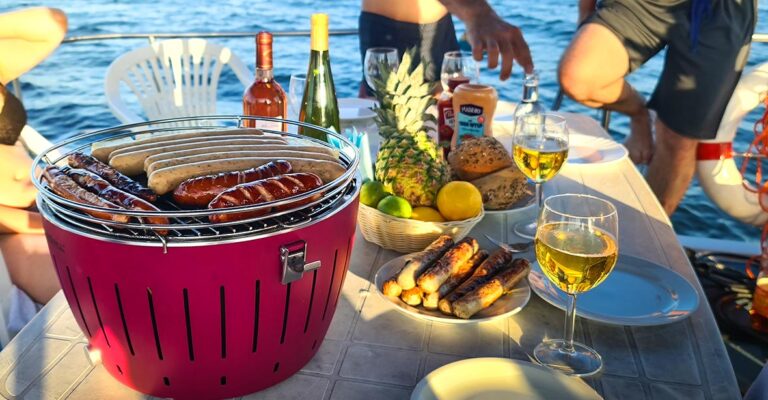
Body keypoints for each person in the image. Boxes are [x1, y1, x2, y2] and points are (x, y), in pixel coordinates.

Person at [558, 0, 756, 216]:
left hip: (720, 8)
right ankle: (640, 114)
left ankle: (645, 239)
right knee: (579, 78)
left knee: (678, 141)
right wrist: (586, 11)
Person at [0, 7, 68, 310]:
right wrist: (47, 223)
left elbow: (51, 23)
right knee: (106, 288)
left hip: (47, 202)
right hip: (11, 231)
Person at [359, 0, 533, 95]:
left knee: (449, 118)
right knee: (381, 119)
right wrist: (478, 12)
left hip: (441, 27)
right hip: (391, 30)